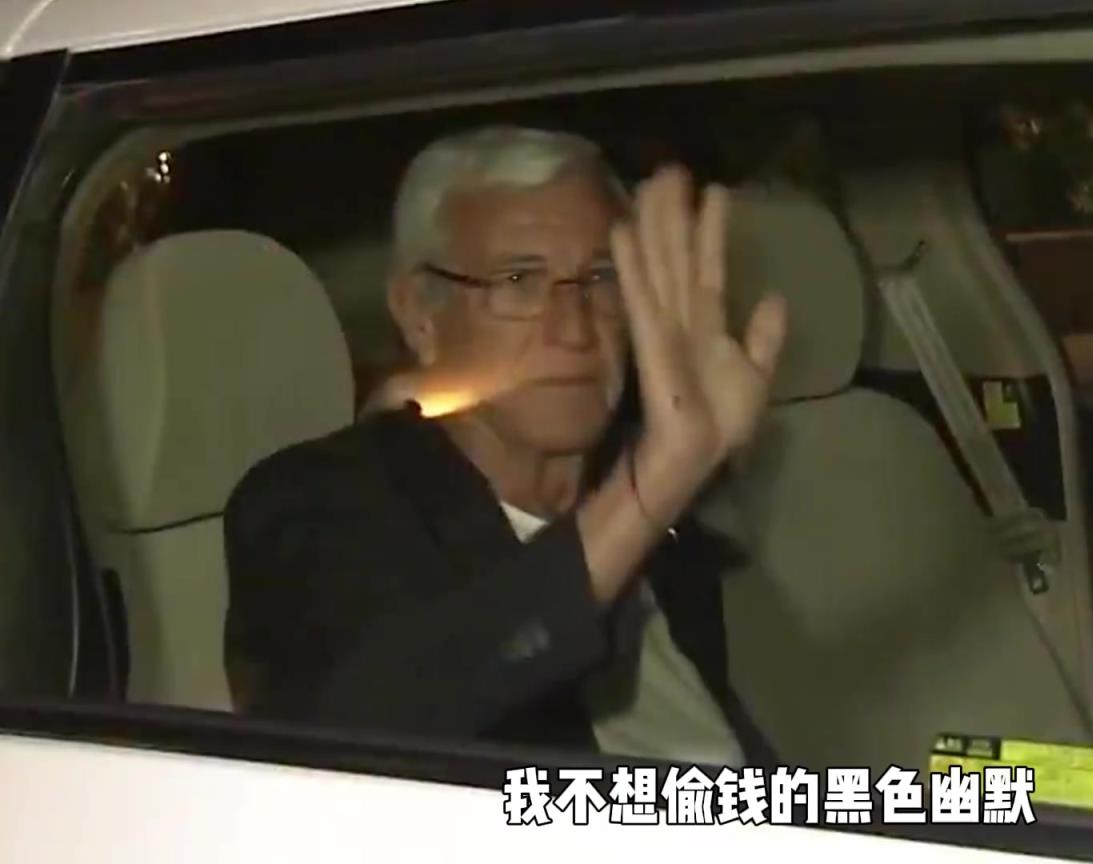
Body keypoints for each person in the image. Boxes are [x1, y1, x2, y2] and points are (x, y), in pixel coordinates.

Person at [222, 126, 788, 767]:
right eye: (519, 281)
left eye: (600, 277)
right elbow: (359, 725)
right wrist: (651, 490)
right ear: (419, 314)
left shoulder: (660, 477)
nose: (575, 330)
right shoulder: (316, 501)